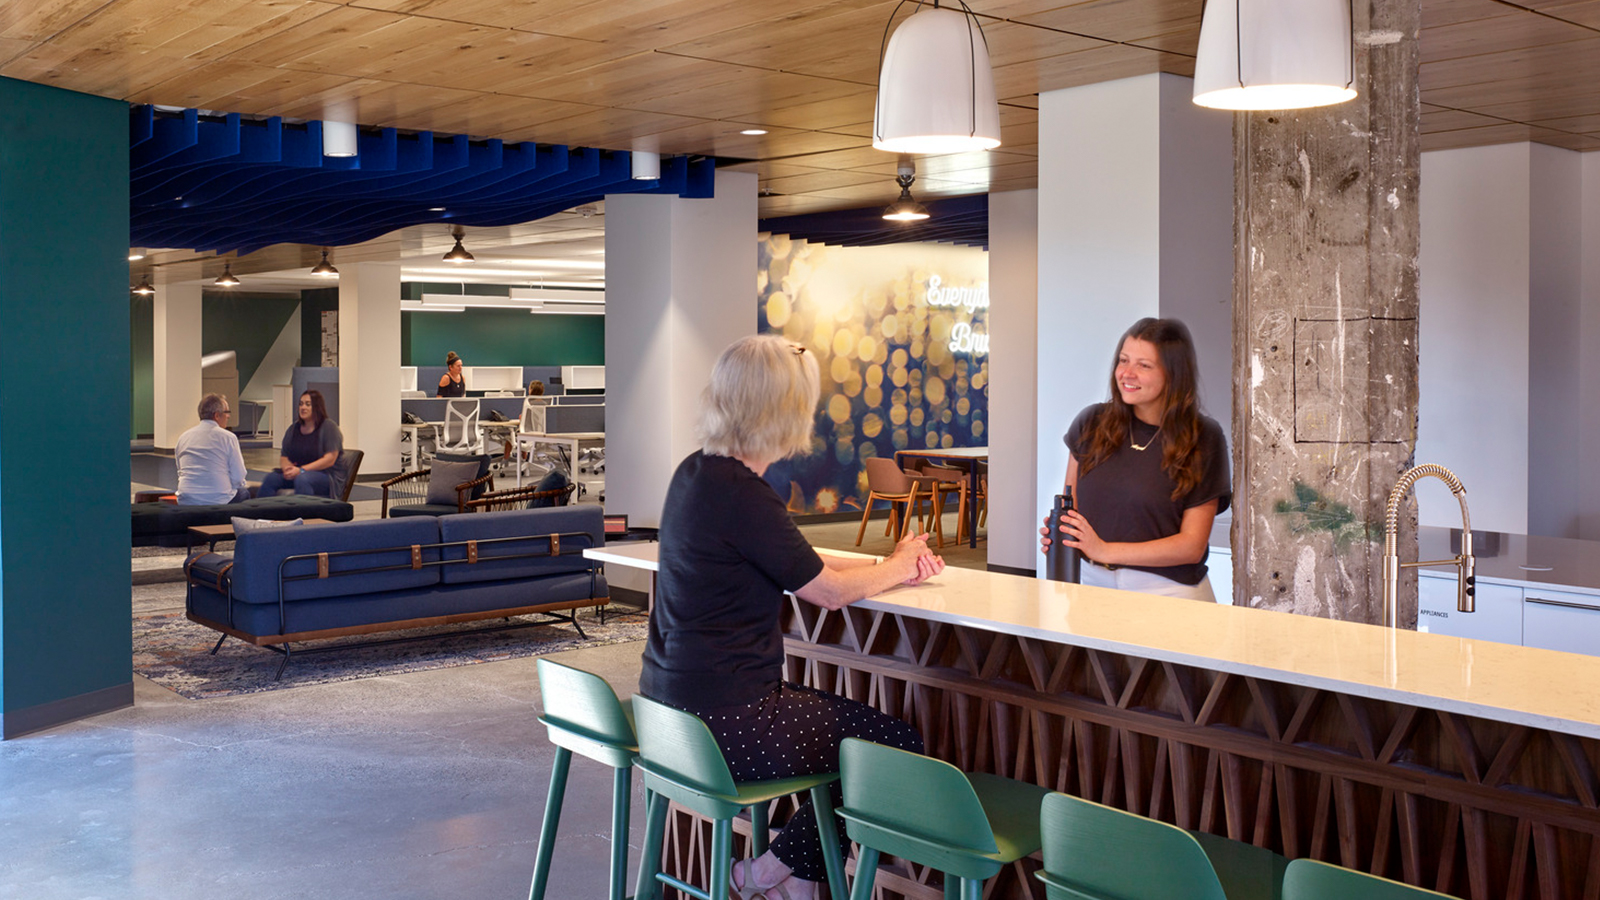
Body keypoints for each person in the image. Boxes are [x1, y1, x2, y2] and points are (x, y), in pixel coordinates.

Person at [641, 334, 944, 900]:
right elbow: (827, 592)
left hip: (668, 710)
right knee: (890, 744)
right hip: (728, 723)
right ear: (786, 411)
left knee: (837, 739)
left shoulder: (697, 472)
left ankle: (793, 877)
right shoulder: (746, 493)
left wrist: (879, 562)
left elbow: (786, 557)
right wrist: (901, 565)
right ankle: (762, 875)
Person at [1040, 317, 1230, 602]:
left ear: (1173, 374)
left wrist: (1103, 549)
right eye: (1123, 360)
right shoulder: (1091, 422)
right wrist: (1064, 534)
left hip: (1169, 593)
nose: (1127, 373)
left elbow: (1191, 545)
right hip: (1090, 585)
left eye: (1144, 365)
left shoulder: (1203, 436)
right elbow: (1073, 506)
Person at [258, 390, 345, 497]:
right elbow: (284, 456)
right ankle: (264, 512)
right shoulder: (294, 428)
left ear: (317, 407)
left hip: (325, 475)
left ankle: (302, 512)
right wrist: (287, 469)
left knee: (303, 479)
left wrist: (302, 470)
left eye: (308, 404)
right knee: (271, 478)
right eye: (301, 404)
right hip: (297, 472)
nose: (303, 407)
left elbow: (330, 459)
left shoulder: (329, 427)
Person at [175, 393, 251, 505]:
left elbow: (180, 471)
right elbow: (238, 476)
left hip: (186, 499)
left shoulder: (183, 437)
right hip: (219, 500)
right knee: (245, 493)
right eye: (227, 412)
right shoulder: (228, 437)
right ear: (216, 416)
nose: (228, 416)